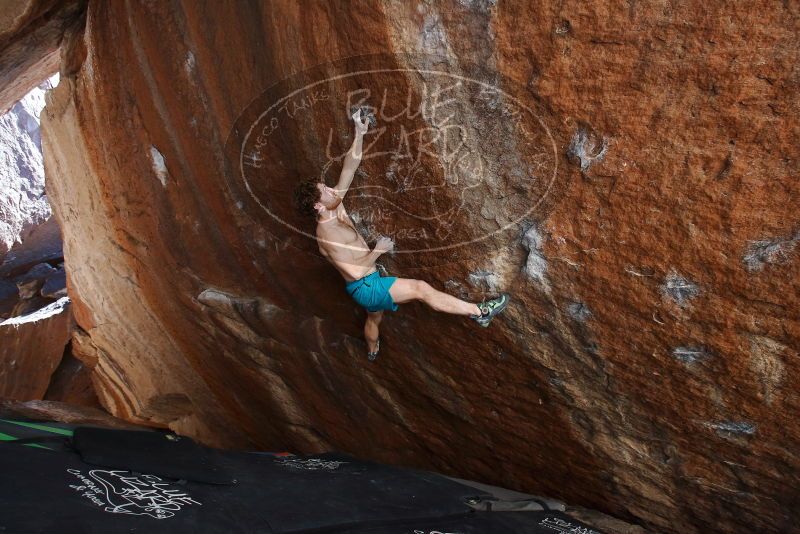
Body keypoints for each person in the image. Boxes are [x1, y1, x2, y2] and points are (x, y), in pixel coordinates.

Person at [293, 109, 509, 361]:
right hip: (365, 285)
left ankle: (372, 350)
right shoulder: (326, 234)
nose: (331, 190)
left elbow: (349, 169)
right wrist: (378, 250)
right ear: (317, 206)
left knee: (374, 316)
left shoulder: (334, 205)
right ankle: (479, 312)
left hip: (366, 289)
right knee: (420, 289)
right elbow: (354, 272)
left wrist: (360, 132)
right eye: (325, 191)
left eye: (326, 186)